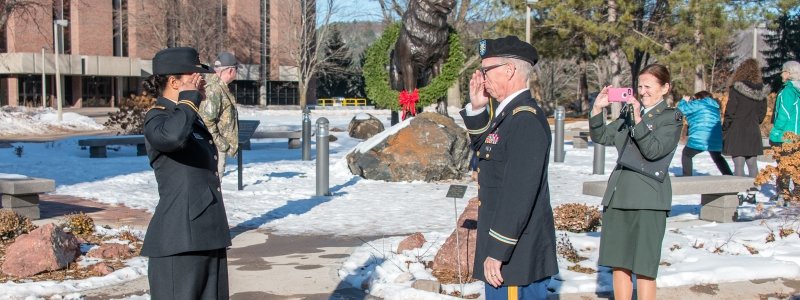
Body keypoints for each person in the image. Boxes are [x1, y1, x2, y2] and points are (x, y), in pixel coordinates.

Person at [459, 36, 558, 299]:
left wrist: (498, 251)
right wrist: (478, 108)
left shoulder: (524, 120)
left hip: (515, 256)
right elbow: (487, 151)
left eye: (486, 70)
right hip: (508, 253)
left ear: (509, 70)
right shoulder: (508, 114)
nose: (481, 77)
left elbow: (519, 194)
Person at [141, 47, 231, 299]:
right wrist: (189, 99)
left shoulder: (188, 117)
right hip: (178, 239)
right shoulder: (157, 119)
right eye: (193, 76)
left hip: (206, 233)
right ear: (173, 81)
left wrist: (189, 102)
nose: (200, 80)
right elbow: (171, 137)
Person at [589, 64, 683, 300]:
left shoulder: (671, 118)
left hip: (648, 199)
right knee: (619, 264)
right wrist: (597, 110)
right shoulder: (628, 114)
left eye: (648, 86)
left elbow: (654, 151)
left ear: (665, 88)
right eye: (639, 86)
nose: (642, 91)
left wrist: (639, 119)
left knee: (644, 267)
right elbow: (602, 136)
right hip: (619, 195)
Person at [723, 58, 770, 177]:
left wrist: (725, 127)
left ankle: (740, 193)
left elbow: (730, 111)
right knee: (752, 164)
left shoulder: (736, 89)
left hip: (737, 130)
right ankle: (753, 193)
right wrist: (755, 121)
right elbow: (762, 113)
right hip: (753, 130)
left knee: (739, 164)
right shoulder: (761, 91)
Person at [200, 51, 240, 179]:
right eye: (236, 69)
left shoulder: (220, 87)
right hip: (213, 149)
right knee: (212, 186)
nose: (236, 72)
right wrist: (222, 145)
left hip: (215, 148)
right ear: (230, 71)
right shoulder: (214, 88)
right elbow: (206, 121)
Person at [677, 91, 732, 176]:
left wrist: (684, 100)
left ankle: (687, 178)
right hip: (715, 138)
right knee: (718, 158)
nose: (693, 100)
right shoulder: (715, 106)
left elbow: (681, 109)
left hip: (700, 137)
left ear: (699, 97)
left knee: (686, 154)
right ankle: (729, 176)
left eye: (694, 98)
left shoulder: (699, 103)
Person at [768, 60, 800, 200]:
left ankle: (783, 194)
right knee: (797, 164)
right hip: (797, 135)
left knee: (784, 164)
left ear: (789, 73)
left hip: (786, 135)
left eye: (783, 71)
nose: (781, 74)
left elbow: (784, 114)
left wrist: (775, 132)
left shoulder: (787, 91)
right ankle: (798, 193)